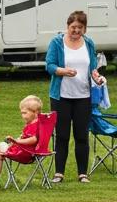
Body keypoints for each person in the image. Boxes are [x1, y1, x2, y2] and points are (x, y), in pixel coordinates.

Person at [45, 11, 104, 183]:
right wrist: (62, 71)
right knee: (62, 135)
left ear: (85, 29)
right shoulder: (57, 42)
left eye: (80, 28)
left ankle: (82, 173)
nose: (76, 31)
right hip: (61, 96)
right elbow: (49, 65)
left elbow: (93, 67)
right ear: (67, 26)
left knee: (81, 135)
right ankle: (59, 173)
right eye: (73, 27)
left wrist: (96, 77)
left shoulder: (89, 43)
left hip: (83, 95)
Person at [0, 95, 42, 191]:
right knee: (4, 145)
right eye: (21, 113)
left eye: (25, 113)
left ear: (35, 113)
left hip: (25, 154)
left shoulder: (34, 125)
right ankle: (3, 147)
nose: (22, 116)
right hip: (30, 153)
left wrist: (16, 141)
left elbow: (33, 139)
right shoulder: (39, 123)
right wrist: (16, 141)